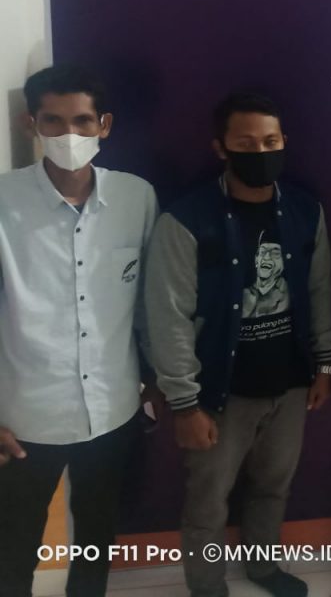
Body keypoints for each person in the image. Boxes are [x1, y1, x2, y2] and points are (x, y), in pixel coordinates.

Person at [145, 92, 331, 597]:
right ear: (221, 148)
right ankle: (208, 587)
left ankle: (263, 568)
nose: (261, 152)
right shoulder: (186, 220)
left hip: (290, 386)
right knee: (208, 503)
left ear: (284, 142)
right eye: (246, 143)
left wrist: (324, 363)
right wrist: (185, 404)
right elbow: (168, 317)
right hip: (219, 394)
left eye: (270, 142)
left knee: (273, 488)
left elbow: (319, 290)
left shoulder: (305, 211)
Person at [0, 65, 159, 597]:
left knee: (96, 536)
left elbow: (148, 301)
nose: (69, 134)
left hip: (113, 411)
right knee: (12, 547)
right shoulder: (3, 202)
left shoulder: (136, 198)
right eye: (54, 121)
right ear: (30, 124)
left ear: (104, 125)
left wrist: (155, 378)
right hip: (24, 419)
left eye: (82, 121)